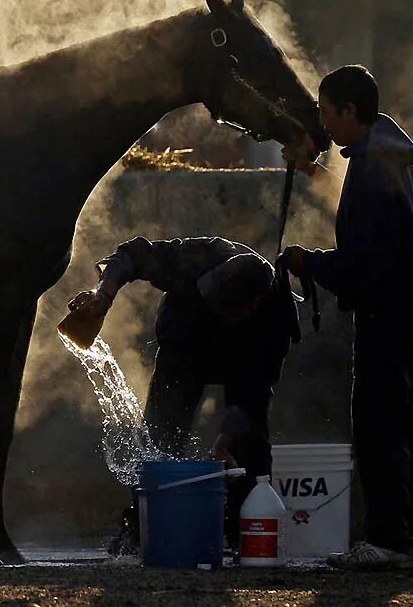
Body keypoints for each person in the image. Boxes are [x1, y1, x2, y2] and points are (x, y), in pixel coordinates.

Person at [281, 64, 413, 570]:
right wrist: (312, 169)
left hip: (387, 316)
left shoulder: (374, 168)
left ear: (350, 111)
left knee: (380, 429)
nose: (325, 124)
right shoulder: (391, 158)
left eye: (328, 113)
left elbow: (364, 266)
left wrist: (309, 263)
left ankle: (386, 539)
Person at [67, 236, 300, 554]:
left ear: (250, 307)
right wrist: (104, 295)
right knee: (159, 441)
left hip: (243, 362)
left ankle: (245, 535)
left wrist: (224, 441)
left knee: (249, 447)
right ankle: (142, 530)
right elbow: (133, 254)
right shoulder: (202, 256)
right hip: (183, 349)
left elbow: (254, 390)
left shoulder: (274, 317)